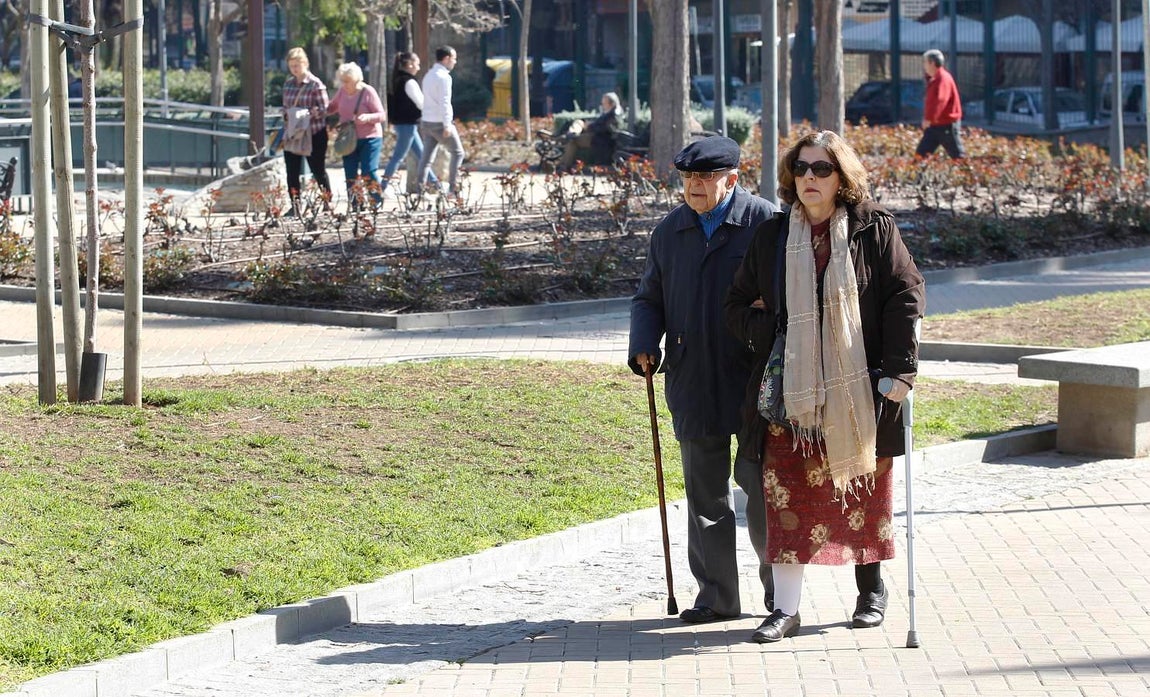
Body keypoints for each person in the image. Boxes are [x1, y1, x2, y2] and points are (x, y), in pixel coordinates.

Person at [724, 130, 925, 643]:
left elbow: (906, 293)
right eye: (802, 169)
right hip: (791, 393)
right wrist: (774, 329)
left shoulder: (872, 229)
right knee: (784, 498)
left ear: (843, 177)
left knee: (861, 493)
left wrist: (900, 372)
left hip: (861, 389)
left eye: (821, 169)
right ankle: (785, 609)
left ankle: (870, 594)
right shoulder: (772, 236)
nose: (809, 178)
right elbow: (736, 305)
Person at [629, 136, 781, 625]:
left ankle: (782, 598)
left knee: (761, 491)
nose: (694, 186)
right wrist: (644, 343)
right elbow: (648, 298)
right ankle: (717, 598)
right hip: (693, 376)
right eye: (689, 178)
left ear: (732, 179)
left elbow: (792, 291)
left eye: (705, 178)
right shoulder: (669, 231)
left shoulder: (765, 223)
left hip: (755, 378)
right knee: (705, 497)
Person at [328, 62, 387, 207]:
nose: (344, 84)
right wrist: (321, 109)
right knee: (350, 172)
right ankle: (356, 203)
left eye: (347, 81)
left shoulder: (368, 92)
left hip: (370, 137)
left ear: (356, 79)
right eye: (342, 80)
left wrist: (367, 118)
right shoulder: (342, 91)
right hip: (348, 138)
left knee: (368, 171)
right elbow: (332, 107)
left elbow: (381, 115)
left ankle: (377, 199)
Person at [382, 51, 439, 197]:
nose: (418, 68)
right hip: (407, 123)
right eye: (417, 64)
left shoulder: (397, 80)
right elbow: (421, 103)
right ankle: (381, 188)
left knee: (421, 155)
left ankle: (436, 185)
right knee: (398, 156)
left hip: (404, 123)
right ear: (410, 64)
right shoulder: (409, 82)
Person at [281, 47, 331, 210]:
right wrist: (288, 115)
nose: (294, 69)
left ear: (305, 63)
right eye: (291, 65)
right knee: (292, 171)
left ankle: (326, 202)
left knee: (318, 169)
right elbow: (285, 106)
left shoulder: (315, 84)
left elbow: (325, 109)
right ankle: (295, 205)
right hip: (294, 133)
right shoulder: (288, 84)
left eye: (297, 65)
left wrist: (309, 113)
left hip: (314, 132)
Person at [417, 46, 466, 198]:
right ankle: (453, 189)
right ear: (446, 58)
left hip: (427, 121)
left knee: (426, 158)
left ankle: (420, 191)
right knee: (458, 153)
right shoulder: (444, 77)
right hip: (440, 122)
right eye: (454, 58)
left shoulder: (428, 75)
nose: (455, 62)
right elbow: (445, 102)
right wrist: (447, 124)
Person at [556, 91, 623, 171]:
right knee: (579, 123)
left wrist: (590, 127)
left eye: (604, 103)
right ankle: (572, 134)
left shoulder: (613, 114)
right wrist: (589, 125)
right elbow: (600, 124)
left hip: (599, 138)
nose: (602, 105)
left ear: (611, 103)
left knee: (572, 141)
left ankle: (563, 165)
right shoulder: (610, 112)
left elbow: (605, 128)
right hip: (595, 136)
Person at [916, 49, 965, 158]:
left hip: (946, 124)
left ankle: (968, 174)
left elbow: (940, 100)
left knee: (958, 156)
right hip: (935, 125)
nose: (924, 66)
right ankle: (916, 175)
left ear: (932, 63)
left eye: (925, 62)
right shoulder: (936, 79)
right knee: (921, 155)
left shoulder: (942, 79)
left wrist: (929, 118)